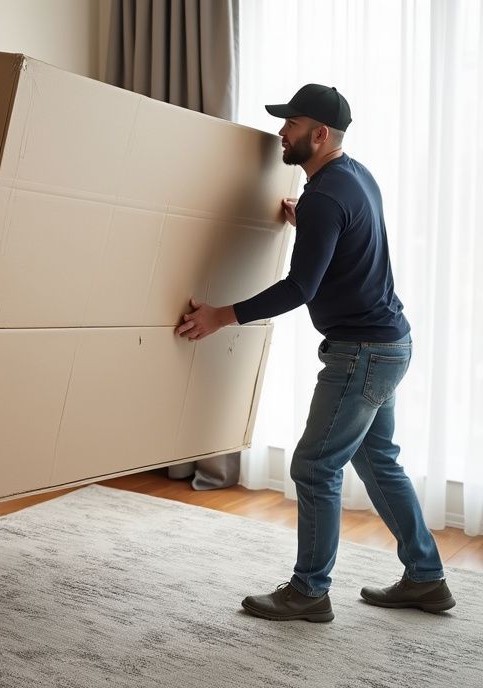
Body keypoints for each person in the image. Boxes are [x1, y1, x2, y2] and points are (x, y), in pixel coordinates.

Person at [175, 83, 454, 623]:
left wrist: (218, 317)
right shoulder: (353, 177)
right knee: (378, 463)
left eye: (292, 124)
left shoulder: (325, 196)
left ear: (319, 135)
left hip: (363, 352)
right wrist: (311, 227)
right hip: (388, 343)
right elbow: (353, 239)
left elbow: (299, 288)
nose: (282, 132)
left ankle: (308, 591)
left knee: (314, 465)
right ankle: (426, 579)